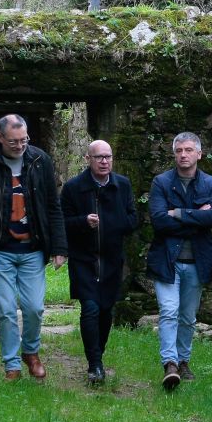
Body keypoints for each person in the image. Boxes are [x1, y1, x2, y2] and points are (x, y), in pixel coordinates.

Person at [0, 114, 67, 381]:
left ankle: (30, 352)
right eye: (13, 141)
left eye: (24, 140)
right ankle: (12, 365)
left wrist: (59, 247)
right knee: (6, 310)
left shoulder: (40, 160)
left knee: (34, 307)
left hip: (33, 249)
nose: (20, 145)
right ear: (0, 138)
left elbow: (53, 207)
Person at [147, 132, 212, 389]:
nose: (183, 155)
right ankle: (169, 363)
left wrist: (177, 213)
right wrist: (195, 218)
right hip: (167, 259)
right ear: (174, 153)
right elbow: (158, 220)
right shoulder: (162, 183)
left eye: (189, 150)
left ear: (199, 154)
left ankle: (184, 360)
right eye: (179, 150)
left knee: (188, 317)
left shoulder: (210, 184)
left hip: (197, 261)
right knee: (169, 311)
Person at [60, 140, 137, 385]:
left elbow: (133, 219)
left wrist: (113, 223)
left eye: (108, 157)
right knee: (90, 308)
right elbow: (61, 223)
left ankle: (98, 355)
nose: (104, 162)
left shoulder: (122, 185)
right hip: (84, 259)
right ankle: (94, 365)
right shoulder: (73, 188)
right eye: (99, 157)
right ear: (88, 159)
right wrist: (83, 222)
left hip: (112, 260)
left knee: (106, 311)